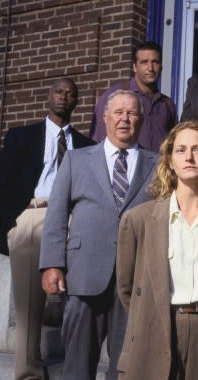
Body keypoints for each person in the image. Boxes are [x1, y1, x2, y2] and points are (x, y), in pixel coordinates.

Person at [40, 90, 158, 380]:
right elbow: (56, 214)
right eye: (118, 112)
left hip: (136, 279)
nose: (124, 119)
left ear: (141, 120)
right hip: (84, 276)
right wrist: (52, 263)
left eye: (131, 113)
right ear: (105, 118)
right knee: (77, 367)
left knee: (127, 367)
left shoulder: (158, 164)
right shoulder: (76, 160)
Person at [116, 121, 198, 380]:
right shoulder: (138, 220)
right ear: (169, 160)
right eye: (180, 150)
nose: (189, 157)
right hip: (156, 329)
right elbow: (127, 288)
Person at [0, 78, 95, 380]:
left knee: (81, 292)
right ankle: (29, 374)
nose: (64, 97)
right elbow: (3, 186)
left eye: (70, 94)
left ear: (76, 101)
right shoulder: (21, 136)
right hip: (32, 214)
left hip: (73, 216)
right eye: (59, 92)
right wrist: (12, 224)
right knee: (27, 306)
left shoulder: (87, 146)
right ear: (48, 97)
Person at [89, 40, 176, 152]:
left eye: (155, 62)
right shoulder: (114, 96)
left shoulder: (167, 105)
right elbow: (98, 140)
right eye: (144, 62)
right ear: (134, 67)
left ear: (161, 67)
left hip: (158, 168)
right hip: (123, 166)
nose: (150, 68)